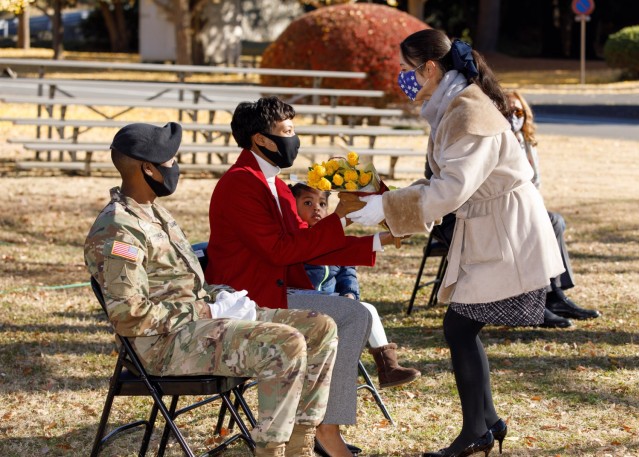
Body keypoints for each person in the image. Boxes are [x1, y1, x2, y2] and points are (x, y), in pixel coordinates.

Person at [347, 30, 565, 457]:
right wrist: (385, 200)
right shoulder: (454, 103)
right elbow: (437, 181)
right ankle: (486, 423)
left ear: (430, 68)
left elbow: (450, 189)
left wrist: (388, 210)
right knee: (461, 327)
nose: (404, 79)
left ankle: (477, 431)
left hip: (506, 231)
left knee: (460, 326)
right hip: (492, 227)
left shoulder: (467, 110)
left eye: (409, 70)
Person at [84, 122, 340, 457]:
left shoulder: (153, 212)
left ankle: (300, 443)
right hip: (163, 344)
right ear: (147, 168)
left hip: (197, 325)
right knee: (287, 343)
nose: (175, 167)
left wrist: (224, 296)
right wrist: (210, 311)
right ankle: (272, 451)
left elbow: (182, 284)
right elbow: (129, 315)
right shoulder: (118, 230)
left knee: (320, 327)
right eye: (170, 161)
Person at [205, 96, 391, 457]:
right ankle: (324, 428)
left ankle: (319, 426)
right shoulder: (241, 184)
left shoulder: (273, 183)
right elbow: (279, 252)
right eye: (288, 131)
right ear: (261, 140)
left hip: (278, 288)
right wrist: (343, 218)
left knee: (353, 313)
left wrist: (379, 240)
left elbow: (307, 247)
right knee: (355, 314)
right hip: (250, 297)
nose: (295, 139)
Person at [290, 183, 421, 388]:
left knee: (360, 307)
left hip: (333, 302)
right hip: (303, 303)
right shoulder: (295, 238)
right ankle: (387, 366)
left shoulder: (335, 237)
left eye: (322, 203)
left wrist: (350, 293)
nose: (316, 208)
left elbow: (347, 272)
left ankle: (388, 366)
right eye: (308, 202)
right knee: (367, 309)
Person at [507, 90, 601, 327]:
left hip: (527, 205)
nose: (513, 116)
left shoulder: (526, 142)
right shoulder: (499, 141)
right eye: (508, 111)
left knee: (555, 221)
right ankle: (542, 299)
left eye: (518, 111)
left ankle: (555, 295)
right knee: (542, 224)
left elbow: (534, 182)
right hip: (505, 210)